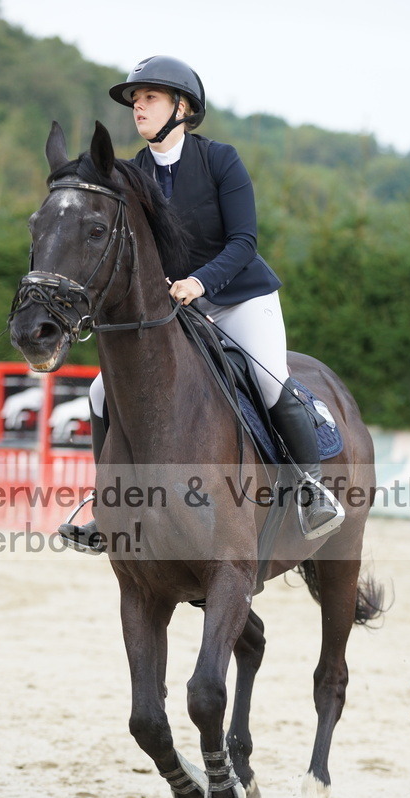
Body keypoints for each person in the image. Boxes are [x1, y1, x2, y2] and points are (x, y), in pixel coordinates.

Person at [60, 55, 342, 553]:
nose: (138, 107)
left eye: (149, 98)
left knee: (269, 380)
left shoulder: (219, 160)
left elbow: (244, 241)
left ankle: (311, 489)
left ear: (183, 108)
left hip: (239, 297)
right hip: (179, 307)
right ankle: (109, 503)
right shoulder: (133, 173)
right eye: (135, 101)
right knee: (102, 390)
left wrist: (200, 282)